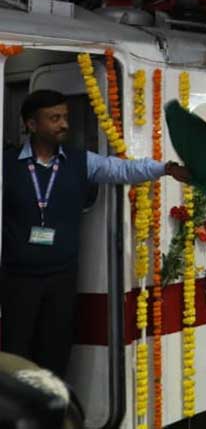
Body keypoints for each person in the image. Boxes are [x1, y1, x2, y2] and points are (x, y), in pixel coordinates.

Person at [1, 89, 190, 376]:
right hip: (17, 279)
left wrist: (166, 168)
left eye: (65, 117)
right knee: (14, 356)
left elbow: (122, 170)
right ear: (32, 124)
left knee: (55, 354)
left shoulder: (79, 161)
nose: (64, 124)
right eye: (54, 118)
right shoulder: (7, 164)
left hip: (61, 278)